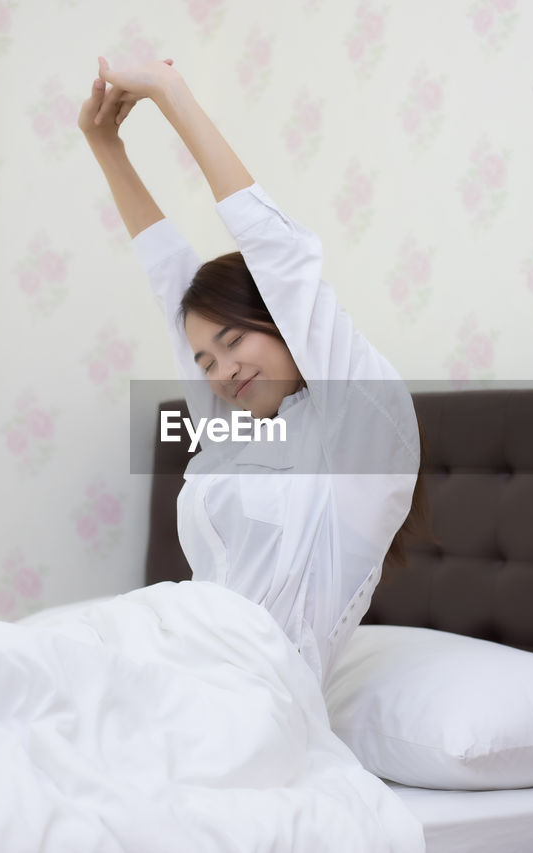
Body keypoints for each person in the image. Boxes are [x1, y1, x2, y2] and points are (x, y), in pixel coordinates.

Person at [78, 57, 424, 684]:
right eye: (205, 360)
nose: (221, 372)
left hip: (254, 699)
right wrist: (107, 147)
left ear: (283, 322)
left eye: (235, 339)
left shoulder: (366, 443)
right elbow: (170, 282)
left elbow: (283, 260)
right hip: (177, 664)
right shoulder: (241, 432)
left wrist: (171, 92)